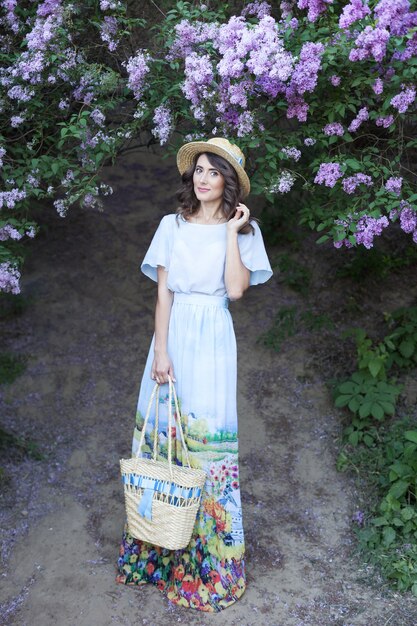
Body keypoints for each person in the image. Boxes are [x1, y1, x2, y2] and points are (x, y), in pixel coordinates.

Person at [116, 137, 273, 612]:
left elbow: (236, 291)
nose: (202, 178)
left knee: (205, 447)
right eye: (198, 170)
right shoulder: (172, 225)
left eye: (212, 172)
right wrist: (160, 351)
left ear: (228, 183)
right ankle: (158, 545)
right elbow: (163, 294)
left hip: (213, 339)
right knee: (164, 439)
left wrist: (230, 234)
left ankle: (206, 564)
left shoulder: (244, 232)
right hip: (174, 333)